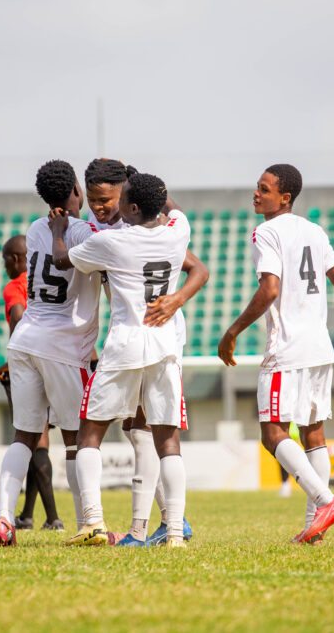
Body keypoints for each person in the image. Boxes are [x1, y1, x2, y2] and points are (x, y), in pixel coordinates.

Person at [217, 164, 334, 544]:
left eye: (264, 189)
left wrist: (232, 331)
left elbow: (269, 290)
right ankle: (315, 526)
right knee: (314, 433)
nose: (256, 194)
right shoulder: (314, 231)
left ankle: (326, 502)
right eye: (257, 187)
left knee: (272, 433)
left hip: (288, 348)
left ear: (285, 198)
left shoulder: (266, 232)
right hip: (319, 347)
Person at [50, 172, 191, 548]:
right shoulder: (178, 231)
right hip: (164, 345)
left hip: (125, 346)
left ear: (132, 208)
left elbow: (62, 261)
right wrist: (156, 189)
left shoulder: (112, 242)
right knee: (168, 440)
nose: (114, 204)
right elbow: (174, 208)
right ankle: (175, 534)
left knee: (89, 433)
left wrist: (60, 231)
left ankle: (93, 522)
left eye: (122, 197)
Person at [83, 158, 207, 546]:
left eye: (107, 199)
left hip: (150, 334)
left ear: (127, 199)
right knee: (142, 431)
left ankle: (143, 528)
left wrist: (176, 300)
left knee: (141, 430)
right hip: (147, 338)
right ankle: (169, 524)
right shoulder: (143, 229)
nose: (100, 207)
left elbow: (198, 269)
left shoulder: (126, 233)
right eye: (92, 200)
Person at [0, 160, 102, 547]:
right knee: (77, 439)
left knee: (23, 436)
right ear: (76, 191)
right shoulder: (84, 233)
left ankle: (4, 519)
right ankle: (87, 523)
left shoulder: (35, 229)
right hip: (63, 345)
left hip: (25, 340)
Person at [0, 234, 62, 532]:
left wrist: (16, 358)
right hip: (57, 360)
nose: (5, 267)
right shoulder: (42, 278)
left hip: (31, 364)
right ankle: (29, 515)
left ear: (15, 258)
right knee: (39, 439)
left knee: (31, 436)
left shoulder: (15, 286)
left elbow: (18, 315)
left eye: (5, 261)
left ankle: (53, 518)